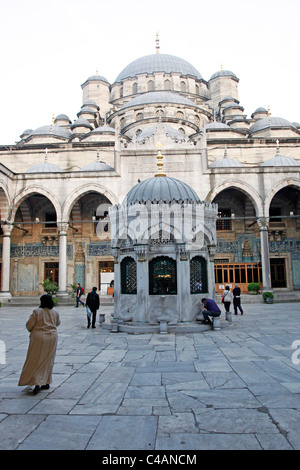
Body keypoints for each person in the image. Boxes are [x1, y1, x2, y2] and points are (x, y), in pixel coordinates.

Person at [18, 294, 60, 395]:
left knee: (36, 359)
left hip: (39, 337)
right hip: (52, 337)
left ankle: (37, 383)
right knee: (48, 360)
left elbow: (29, 325)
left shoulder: (37, 312)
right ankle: (46, 381)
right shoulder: (55, 312)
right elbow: (58, 323)